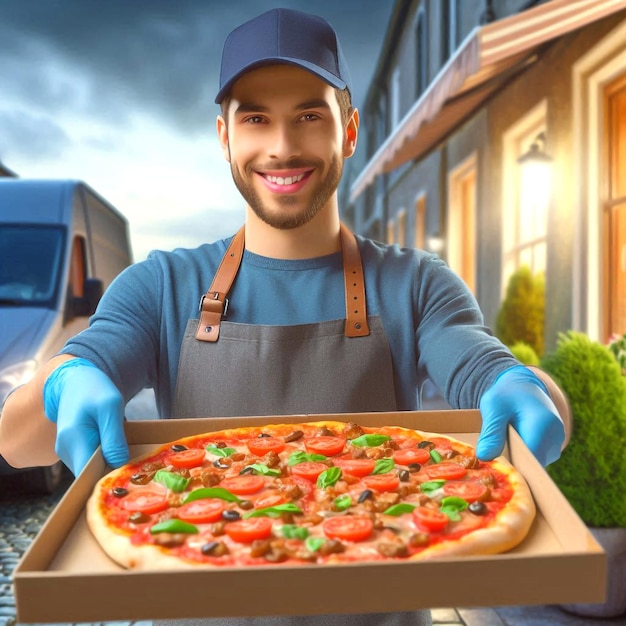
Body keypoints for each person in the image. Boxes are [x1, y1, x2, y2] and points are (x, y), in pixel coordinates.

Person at [0, 8, 570, 626]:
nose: (281, 146)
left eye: (309, 115)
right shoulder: (161, 285)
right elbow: (16, 441)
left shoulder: (417, 284)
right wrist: (64, 381)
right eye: (255, 118)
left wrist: (525, 387)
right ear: (224, 137)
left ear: (348, 131)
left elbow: (477, 361)